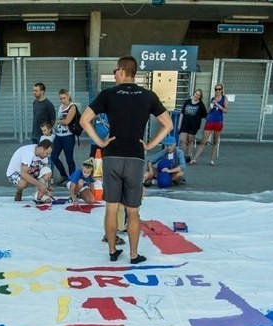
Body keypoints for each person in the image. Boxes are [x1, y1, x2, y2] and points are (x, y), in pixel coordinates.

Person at [79, 56, 173, 265]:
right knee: (133, 211)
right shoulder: (148, 95)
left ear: (122, 71)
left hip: (112, 154)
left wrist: (100, 142)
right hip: (135, 157)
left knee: (111, 208)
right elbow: (168, 125)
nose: (114, 74)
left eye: (115, 71)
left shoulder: (108, 94)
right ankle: (133, 255)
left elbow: (84, 120)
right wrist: (149, 144)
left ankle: (112, 251)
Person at [191, 83, 228, 166]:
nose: (217, 91)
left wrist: (218, 104)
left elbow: (226, 111)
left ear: (222, 90)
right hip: (210, 120)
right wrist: (210, 108)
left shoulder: (224, 98)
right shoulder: (212, 98)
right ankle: (195, 159)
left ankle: (212, 160)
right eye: (216, 89)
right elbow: (209, 110)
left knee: (215, 141)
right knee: (203, 140)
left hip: (218, 121)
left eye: (219, 89)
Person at [52, 89, 78, 185]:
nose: (62, 100)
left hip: (68, 136)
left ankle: (72, 179)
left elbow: (66, 121)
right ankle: (64, 175)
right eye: (61, 98)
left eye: (64, 98)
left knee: (69, 159)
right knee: (54, 156)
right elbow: (62, 120)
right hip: (59, 135)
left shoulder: (72, 107)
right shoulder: (61, 106)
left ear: (68, 97)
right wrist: (60, 121)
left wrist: (59, 121)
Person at [178, 89, 208, 162]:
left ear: (200, 97)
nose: (196, 96)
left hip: (194, 125)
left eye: (198, 95)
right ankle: (181, 156)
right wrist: (179, 124)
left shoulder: (200, 104)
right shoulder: (187, 102)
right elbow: (182, 113)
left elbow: (204, 114)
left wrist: (198, 119)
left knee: (190, 140)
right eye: (196, 94)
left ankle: (188, 156)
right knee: (182, 140)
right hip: (185, 124)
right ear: (194, 93)